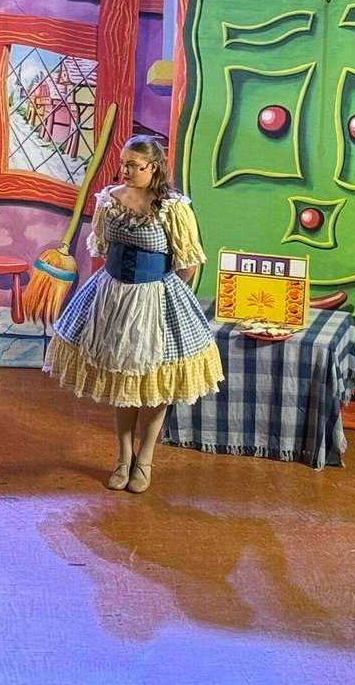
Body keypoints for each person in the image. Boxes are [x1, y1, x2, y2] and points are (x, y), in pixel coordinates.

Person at [43, 137, 224, 494]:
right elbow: (102, 247)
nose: (125, 170)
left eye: (133, 165)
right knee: (122, 381)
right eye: (124, 163)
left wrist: (160, 291)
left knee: (155, 385)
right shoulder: (109, 200)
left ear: (152, 168)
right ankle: (124, 458)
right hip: (113, 295)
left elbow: (187, 264)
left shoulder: (172, 208)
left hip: (154, 297)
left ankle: (145, 459)